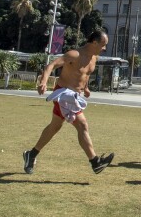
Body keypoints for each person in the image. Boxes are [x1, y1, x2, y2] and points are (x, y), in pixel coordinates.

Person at [23, 30, 114, 175]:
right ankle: (95, 162)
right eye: (103, 45)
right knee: (82, 124)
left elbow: (84, 76)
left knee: (55, 126)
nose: (104, 48)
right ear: (94, 42)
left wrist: (86, 88)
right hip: (64, 94)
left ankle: (31, 154)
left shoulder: (94, 58)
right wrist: (43, 82)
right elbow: (50, 66)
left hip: (75, 96)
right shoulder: (75, 55)